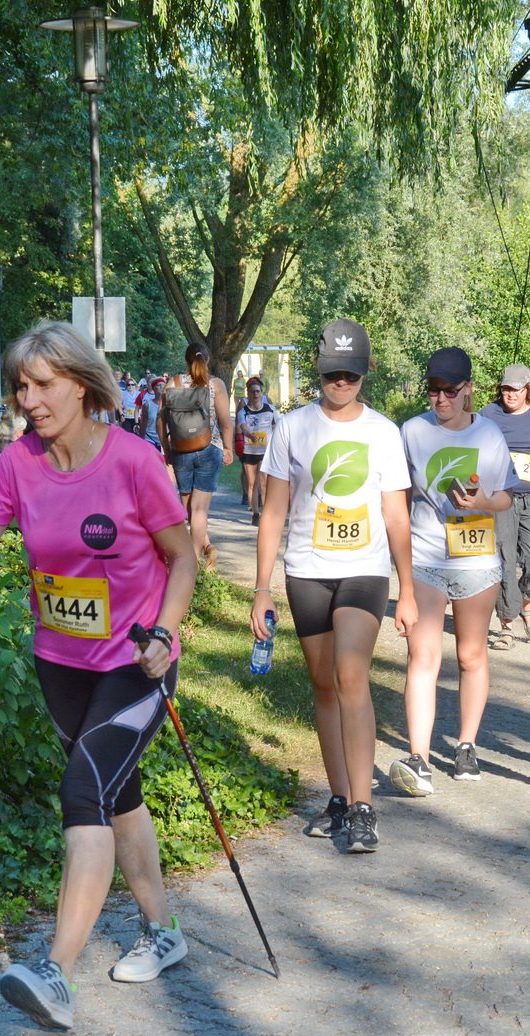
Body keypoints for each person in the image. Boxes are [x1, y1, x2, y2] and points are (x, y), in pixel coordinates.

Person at [0, 320, 197, 1032]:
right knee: (119, 795)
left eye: (43, 383)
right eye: (21, 385)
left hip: (136, 662)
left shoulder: (136, 461)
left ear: (82, 384)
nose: (29, 397)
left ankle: (55, 972)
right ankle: (165, 931)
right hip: (62, 664)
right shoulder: (16, 464)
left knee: (84, 790)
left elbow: (183, 559)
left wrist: (167, 634)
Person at [252, 319, 417, 852]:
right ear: (319, 373)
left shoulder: (383, 433)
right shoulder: (292, 428)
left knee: (351, 675)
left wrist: (407, 589)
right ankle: (341, 798)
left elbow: (397, 517)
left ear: (365, 372)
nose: (340, 382)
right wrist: (261, 587)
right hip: (306, 570)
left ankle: (365, 807)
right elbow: (273, 511)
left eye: (349, 373)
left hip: (364, 571)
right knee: (323, 685)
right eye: (331, 373)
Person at [387, 348, 515, 796]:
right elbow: (396, 496)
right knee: (423, 656)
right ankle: (418, 756)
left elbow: (506, 497)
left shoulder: (489, 435)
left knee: (470, 656)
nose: (440, 399)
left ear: (469, 390)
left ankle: (465, 745)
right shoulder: (412, 432)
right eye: (433, 390)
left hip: (477, 561)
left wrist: (481, 503)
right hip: (425, 558)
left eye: (450, 391)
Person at [479, 363, 530, 650]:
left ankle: (526, 604)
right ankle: (506, 625)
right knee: (504, 559)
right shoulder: (488, 414)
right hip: (501, 498)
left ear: (527, 389)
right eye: (506, 388)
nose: (510, 394)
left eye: (516, 389)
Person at [159, 342, 234, 567]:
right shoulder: (215, 384)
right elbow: (226, 423)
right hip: (209, 447)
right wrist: (228, 448)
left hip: (181, 449)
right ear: (208, 360)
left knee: (187, 505)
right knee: (199, 508)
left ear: (186, 360)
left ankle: (194, 556)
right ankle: (196, 558)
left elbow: (161, 421)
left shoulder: (174, 382)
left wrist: (166, 449)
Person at [238, 376, 277, 525]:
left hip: (266, 450)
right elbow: (244, 427)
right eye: (252, 392)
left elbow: (276, 427)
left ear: (262, 393)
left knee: (264, 482)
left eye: (258, 392)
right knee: (253, 484)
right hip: (250, 451)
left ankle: (266, 512)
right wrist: (250, 436)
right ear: (248, 394)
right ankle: (255, 514)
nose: (255, 395)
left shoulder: (270, 409)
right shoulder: (243, 412)